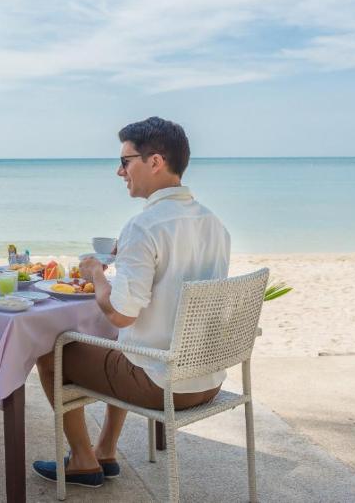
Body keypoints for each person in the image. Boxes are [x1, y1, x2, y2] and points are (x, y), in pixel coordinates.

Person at [32, 117, 230, 487]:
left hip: (162, 385)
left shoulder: (144, 226)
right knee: (120, 346)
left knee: (50, 352)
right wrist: (126, 262)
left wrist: (95, 274)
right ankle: (105, 450)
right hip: (208, 380)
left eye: (125, 161)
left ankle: (82, 460)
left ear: (155, 162)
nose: (119, 171)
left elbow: (121, 316)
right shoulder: (214, 223)